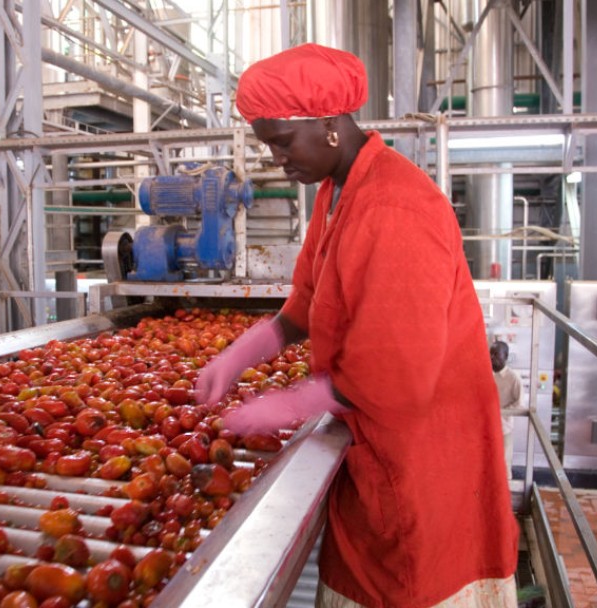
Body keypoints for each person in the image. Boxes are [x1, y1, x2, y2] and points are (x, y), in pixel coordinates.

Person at [196, 43, 518, 608]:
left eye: (280, 141)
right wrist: (253, 347)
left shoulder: (394, 208)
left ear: (328, 126)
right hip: (376, 439)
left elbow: (396, 373)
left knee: (412, 579)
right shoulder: (336, 191)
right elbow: (309, 297)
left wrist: (291, 403)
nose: (275, 158)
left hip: (421, 452)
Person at [491, 340, 522, 479]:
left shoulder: (513, 377)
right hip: (487, 428)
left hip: (504, 428)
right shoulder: (487, 374)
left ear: (506, 356)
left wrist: (501, 412)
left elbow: (519, 403)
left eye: (497, 354)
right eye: (491, 354)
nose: (492, 357)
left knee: (503, 466)